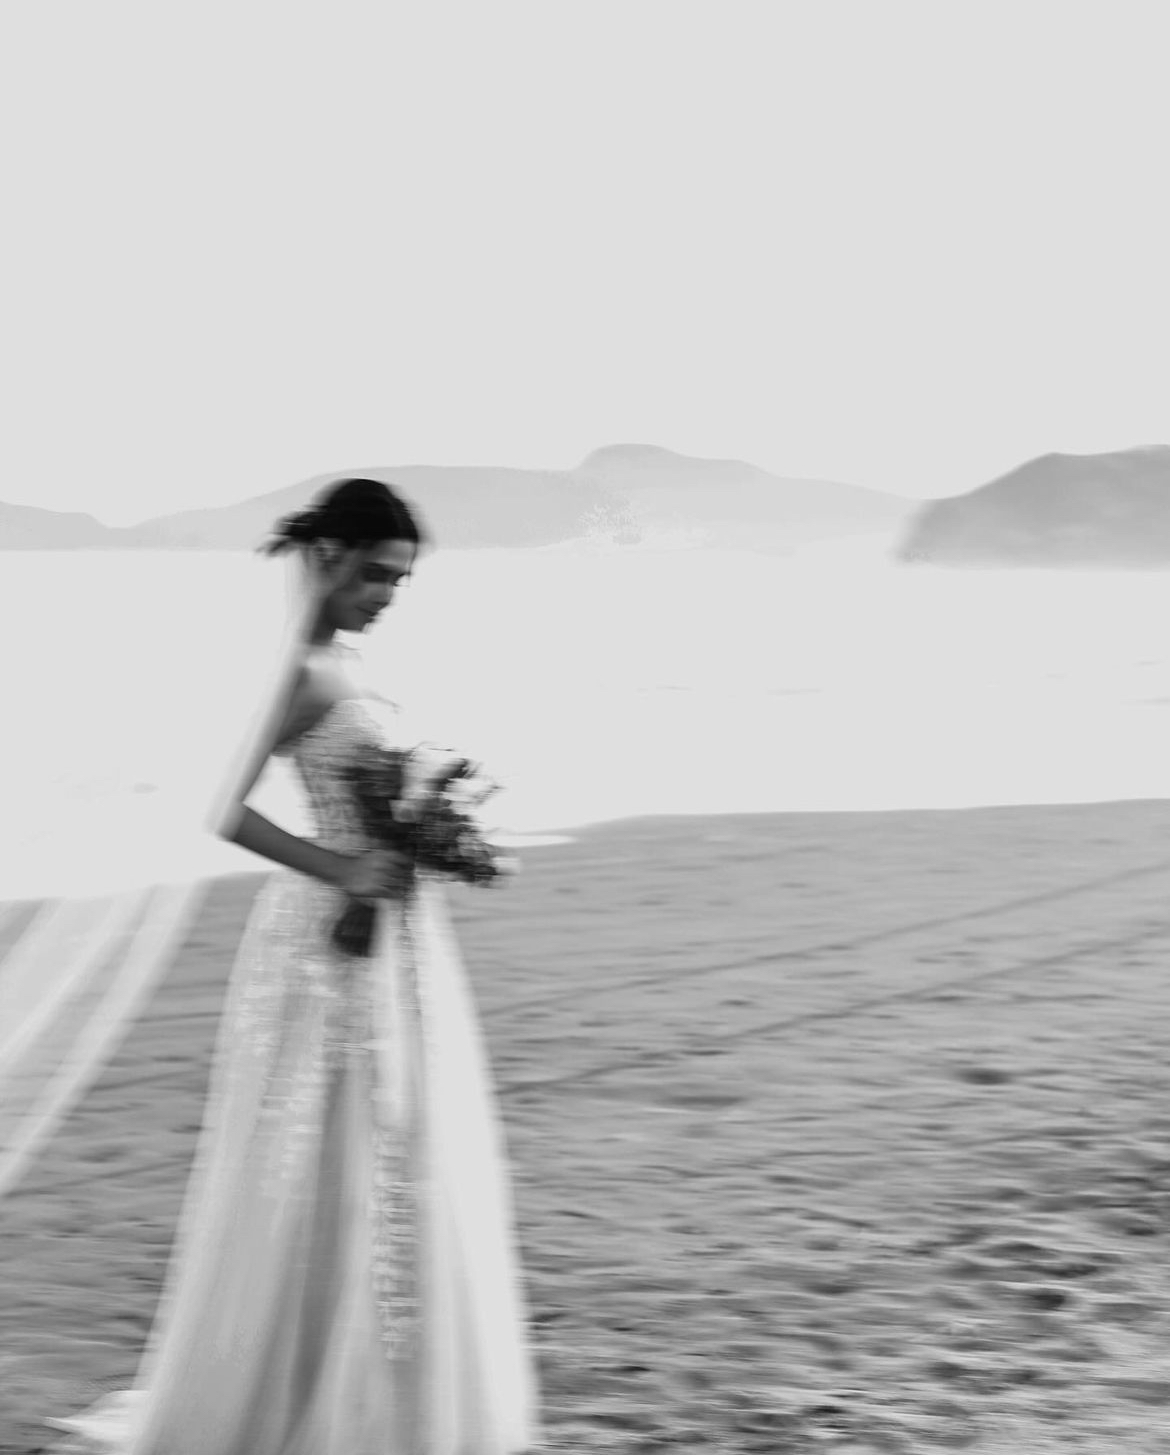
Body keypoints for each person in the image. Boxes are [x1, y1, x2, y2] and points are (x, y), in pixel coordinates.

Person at [28, 478, 539, 1453]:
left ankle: (390, 1388)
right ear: (330, 557)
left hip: (396, 932)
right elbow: (220, 805)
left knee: (400, 1137)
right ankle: (307, 1388)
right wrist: (340, 866)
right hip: (322, 937)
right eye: (377, 575)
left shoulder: (347, 662)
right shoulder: (297, 671)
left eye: (401, 582)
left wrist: (432, 823)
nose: (386, 596)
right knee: (326, 1148)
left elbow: (378, 777)